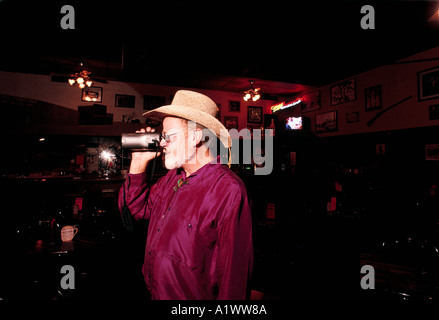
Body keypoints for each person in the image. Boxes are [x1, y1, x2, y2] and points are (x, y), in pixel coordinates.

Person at [118, 90, 253, 300]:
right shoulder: (172, 179)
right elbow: (135, 210)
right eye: (162, 137)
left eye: (168, 137)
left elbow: (234, 274)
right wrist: (138, 162)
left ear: (196, 137)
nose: (162, 143)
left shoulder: (228, 190)